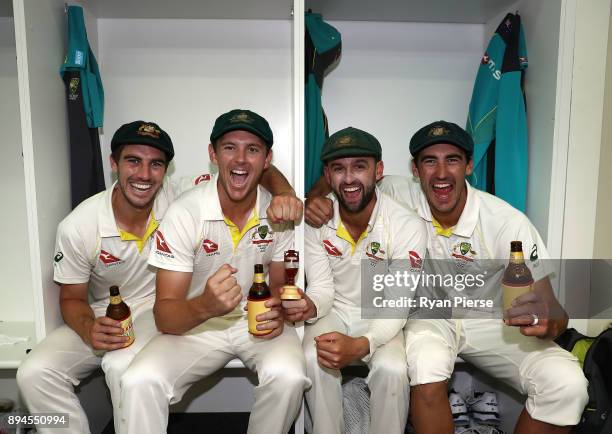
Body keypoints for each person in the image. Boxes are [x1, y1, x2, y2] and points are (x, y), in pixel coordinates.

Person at [16, 119, 302, 434]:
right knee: (32, 373)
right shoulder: (79, 225)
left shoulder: (179, 195)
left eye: (156, 165)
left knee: (120, 365)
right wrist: (88, 329)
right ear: (114, 164)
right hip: (105, 311)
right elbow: (70, 298)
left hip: (162, 306)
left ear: (166, 171)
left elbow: (244, 169)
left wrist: (284, 191)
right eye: (132, 161)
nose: (143, 175)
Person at [305, 121, 589, 434]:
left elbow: (551, 307)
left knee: (567, 384)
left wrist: (550, 322)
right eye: (430, 161)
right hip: (430, 316)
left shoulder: (506, 222)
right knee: (426, 365)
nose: (440, 173)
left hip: (491, 321)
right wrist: (315, 199)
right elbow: (346, 180)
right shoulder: (396, 192)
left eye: (452, 160)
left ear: (468, 165)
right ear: (415, 169)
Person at [119, 109, 309, 434]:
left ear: (267, 159)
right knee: (139, 380)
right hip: (197, 325)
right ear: (213, 154)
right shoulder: (185, 212)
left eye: (253, 149)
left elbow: (279, 288)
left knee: (289, 377)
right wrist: (206, 305)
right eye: (229, 147)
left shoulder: (278, 212)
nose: (240, 159)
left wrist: (282, 306)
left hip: (257, 324)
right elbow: (165, 316)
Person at [286, 127, 427, 433]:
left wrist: (363, 344)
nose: (348, 179)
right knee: (312, 355)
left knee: (392, 368)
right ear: (327, 174)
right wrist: (309, 305)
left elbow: (396, 305)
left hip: (382, 315)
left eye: (359, 167)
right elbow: (322, 289)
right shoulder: (317, 221)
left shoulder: (406, 225)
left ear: (378, 171)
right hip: (335, 310)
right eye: (338, 168)